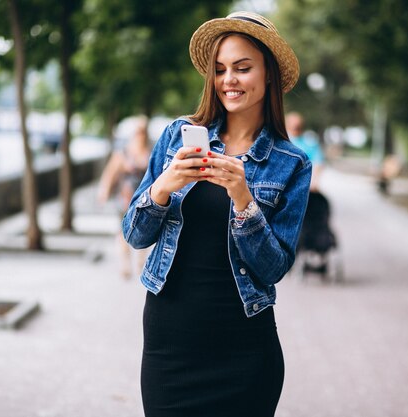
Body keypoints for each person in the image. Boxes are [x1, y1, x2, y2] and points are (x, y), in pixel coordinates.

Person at [121, 11, 311, 417]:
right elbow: (135, 236)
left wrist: (244, 199)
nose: (229, 80)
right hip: (170, 341)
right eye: (221, 69)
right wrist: (162, 187)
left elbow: (274, 267)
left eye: (243, 68)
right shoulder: (177, 136)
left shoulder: (291, 163)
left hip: (244, 342)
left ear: (269, 75)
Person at [97, 116, 151, 278]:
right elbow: (110, 173)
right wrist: (104, 191)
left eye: (143, 131)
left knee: (144, 229)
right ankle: (125, 264)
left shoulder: (151, 152)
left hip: (145, 199)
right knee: (122, 232)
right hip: (125, 198)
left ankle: (141, 261)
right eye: (138, 131)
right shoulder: (123, 153)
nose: (140, 134)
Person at [286, 111, 325, 191]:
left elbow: (318, 162)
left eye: (297, 125)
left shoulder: (310, 143)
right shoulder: (281, 141)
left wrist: (314, 181)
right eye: (292, 124)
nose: (295, 126)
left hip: (303, 185)